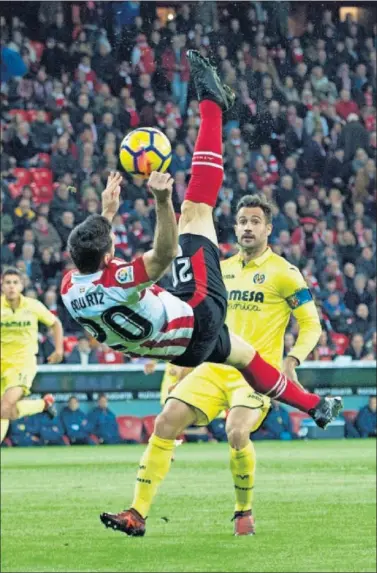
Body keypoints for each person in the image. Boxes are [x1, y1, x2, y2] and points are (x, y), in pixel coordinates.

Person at [101, 193, 322, 536]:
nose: (248, 228)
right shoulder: (221, 268)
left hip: (253, 375)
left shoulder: (285, 274)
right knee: (165, 422)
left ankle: (242, 511)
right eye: (243, 222)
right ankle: (136, 513)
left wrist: (292, 360)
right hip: (213, 368)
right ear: (234, 228)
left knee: (236, 431)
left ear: (268, 229)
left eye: (255, 222)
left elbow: (311, 323)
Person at [0, 268, 64, 443]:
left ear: (21, 285)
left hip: (22, 363)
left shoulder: (33, 306)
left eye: (15, 282)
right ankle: (44, 404)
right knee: (4, 411)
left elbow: (56, 323)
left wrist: (59, 350)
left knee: (4, 407)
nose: (11, 286)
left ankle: (41, 405)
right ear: (2, 286)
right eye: (8, 283)